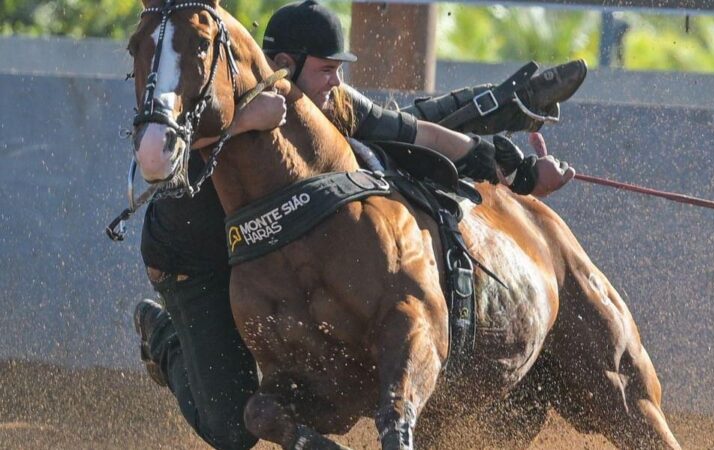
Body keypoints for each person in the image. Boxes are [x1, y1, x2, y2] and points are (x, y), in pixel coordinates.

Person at [134, 1, 584, 449]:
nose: (337, 81)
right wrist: (246, 121)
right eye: (327, 69)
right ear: (284, 67)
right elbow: (161, 157)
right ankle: (165, 337)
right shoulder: (215, 91)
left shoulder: (325, 104)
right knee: (232, 430)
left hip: (252, 266)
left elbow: (414, 128)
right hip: (193, 263)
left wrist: (518, 170)